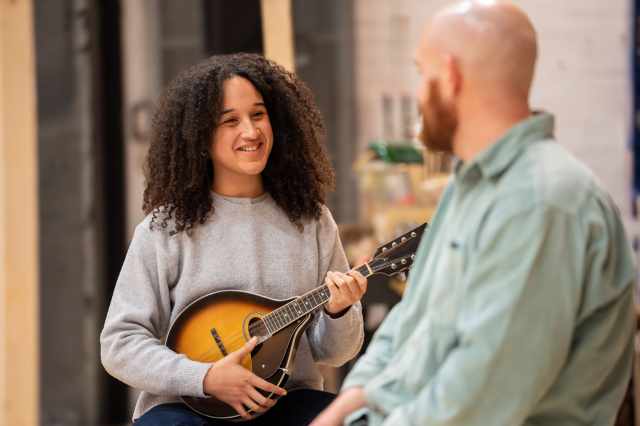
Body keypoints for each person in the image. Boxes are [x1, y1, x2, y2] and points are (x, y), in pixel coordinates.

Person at [312, 1, 636, 425]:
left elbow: (476, 400)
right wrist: (342, 408)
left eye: (421, 73)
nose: (417, 95)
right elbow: (409, 325)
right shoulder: (467, 187)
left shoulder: (541, 203)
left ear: (450, 76)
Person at [100, 53, 366, 426]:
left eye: (258, 115)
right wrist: (204, 378)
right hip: (185, 408)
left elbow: (334, 352)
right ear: (201, 137)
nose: (251, 132)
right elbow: (120, 344)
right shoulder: (163, 230)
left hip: (286, 404)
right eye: (230, 121)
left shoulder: (313, 220)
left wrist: (339, 311)